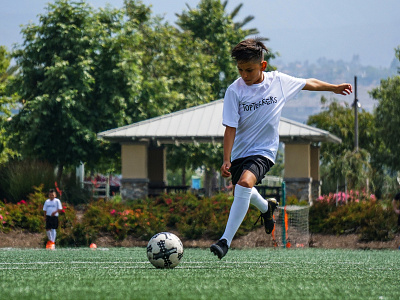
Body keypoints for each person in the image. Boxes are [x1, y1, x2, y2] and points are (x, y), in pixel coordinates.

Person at [210, 38, 353, 259]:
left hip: (264, 151)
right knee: (242, 189)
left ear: (263, 66)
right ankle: (267, 208)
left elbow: (308, 83)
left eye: (249, 70)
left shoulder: (278, 82)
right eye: (240, 70)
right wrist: (226, 159)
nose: (244, 75)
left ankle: (224, 241)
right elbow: (230, 128)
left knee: (245, 183)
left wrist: (334, 88)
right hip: (240, 153)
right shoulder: (234, 91)